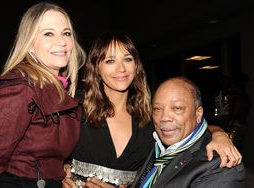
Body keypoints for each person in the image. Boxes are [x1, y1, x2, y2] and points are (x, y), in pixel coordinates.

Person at [62, 32, 241, 188]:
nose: (121, 68)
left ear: (136, 65)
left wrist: (220, 135)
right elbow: (42, 148)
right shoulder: (75, 106)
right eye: (110, 60)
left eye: (127, 59)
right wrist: (60, 171)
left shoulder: (150, 114)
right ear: (96, 67)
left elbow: (190, 124)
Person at [0, 1, 86, 187]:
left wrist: (61, 168)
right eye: (49, 33)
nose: (62, 41)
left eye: (66, 33)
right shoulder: (19, 91)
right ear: (30, 44)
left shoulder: (57, 89)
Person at [132, 77, 245, 188]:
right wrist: (218, 132)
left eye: (177, 108)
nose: (164, 118)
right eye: (157, 109)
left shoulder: (220, 165)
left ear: (198, 114)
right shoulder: (155, 144)